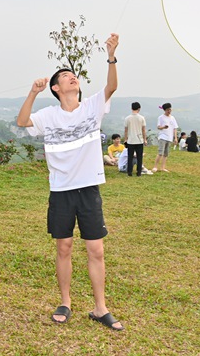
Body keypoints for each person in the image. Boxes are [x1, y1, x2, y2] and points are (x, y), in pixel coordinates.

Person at [16, 33, 124, 332]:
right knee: (63, 247)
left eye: (73, 75)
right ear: (56, 87)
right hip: (61, 190)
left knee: (96, 249)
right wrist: (32, 93)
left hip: (89, 188)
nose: (72, 78)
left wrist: (111, 55)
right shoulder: (48, 115)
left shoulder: (92, 107)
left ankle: (100, 307)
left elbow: (112, 86)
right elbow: (23, 121)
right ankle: (65, 301)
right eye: (65, 76)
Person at [152, 103, 178, 173]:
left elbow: (175, 128)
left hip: (169, 138)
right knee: (160, 152)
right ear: (164, 110)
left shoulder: (172, 118)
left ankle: (163, 167)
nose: (169, 111)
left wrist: (175, 138)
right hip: (163, 136)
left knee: (166, 154)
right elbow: (158, 127)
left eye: (170, 109)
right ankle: (155, 166)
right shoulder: (161, 117)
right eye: (167, 110)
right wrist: (163, 127)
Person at [123, 101, 147, 176]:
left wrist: (125, 139)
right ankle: (138, 172)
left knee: (130, 157)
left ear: (131, 108)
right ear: (139, 108)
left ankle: (129, 172)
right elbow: (143, 129)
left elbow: (126, 130)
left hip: (130, 140)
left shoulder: (127, 118)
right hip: (139, 140)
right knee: (139, 157)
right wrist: (145, 139)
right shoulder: (141, 118)